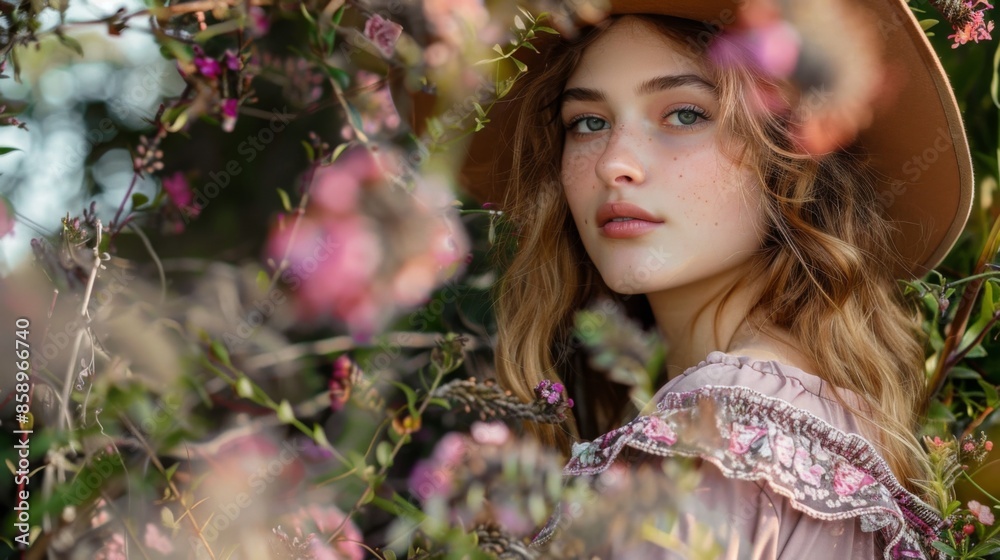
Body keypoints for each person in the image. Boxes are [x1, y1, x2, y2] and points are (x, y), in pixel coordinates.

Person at [457, 0, 975, 557]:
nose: (614, 162)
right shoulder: (814, 419)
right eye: (588, 122)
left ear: (791, 157)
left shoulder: (721, 435)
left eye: (685, 114)